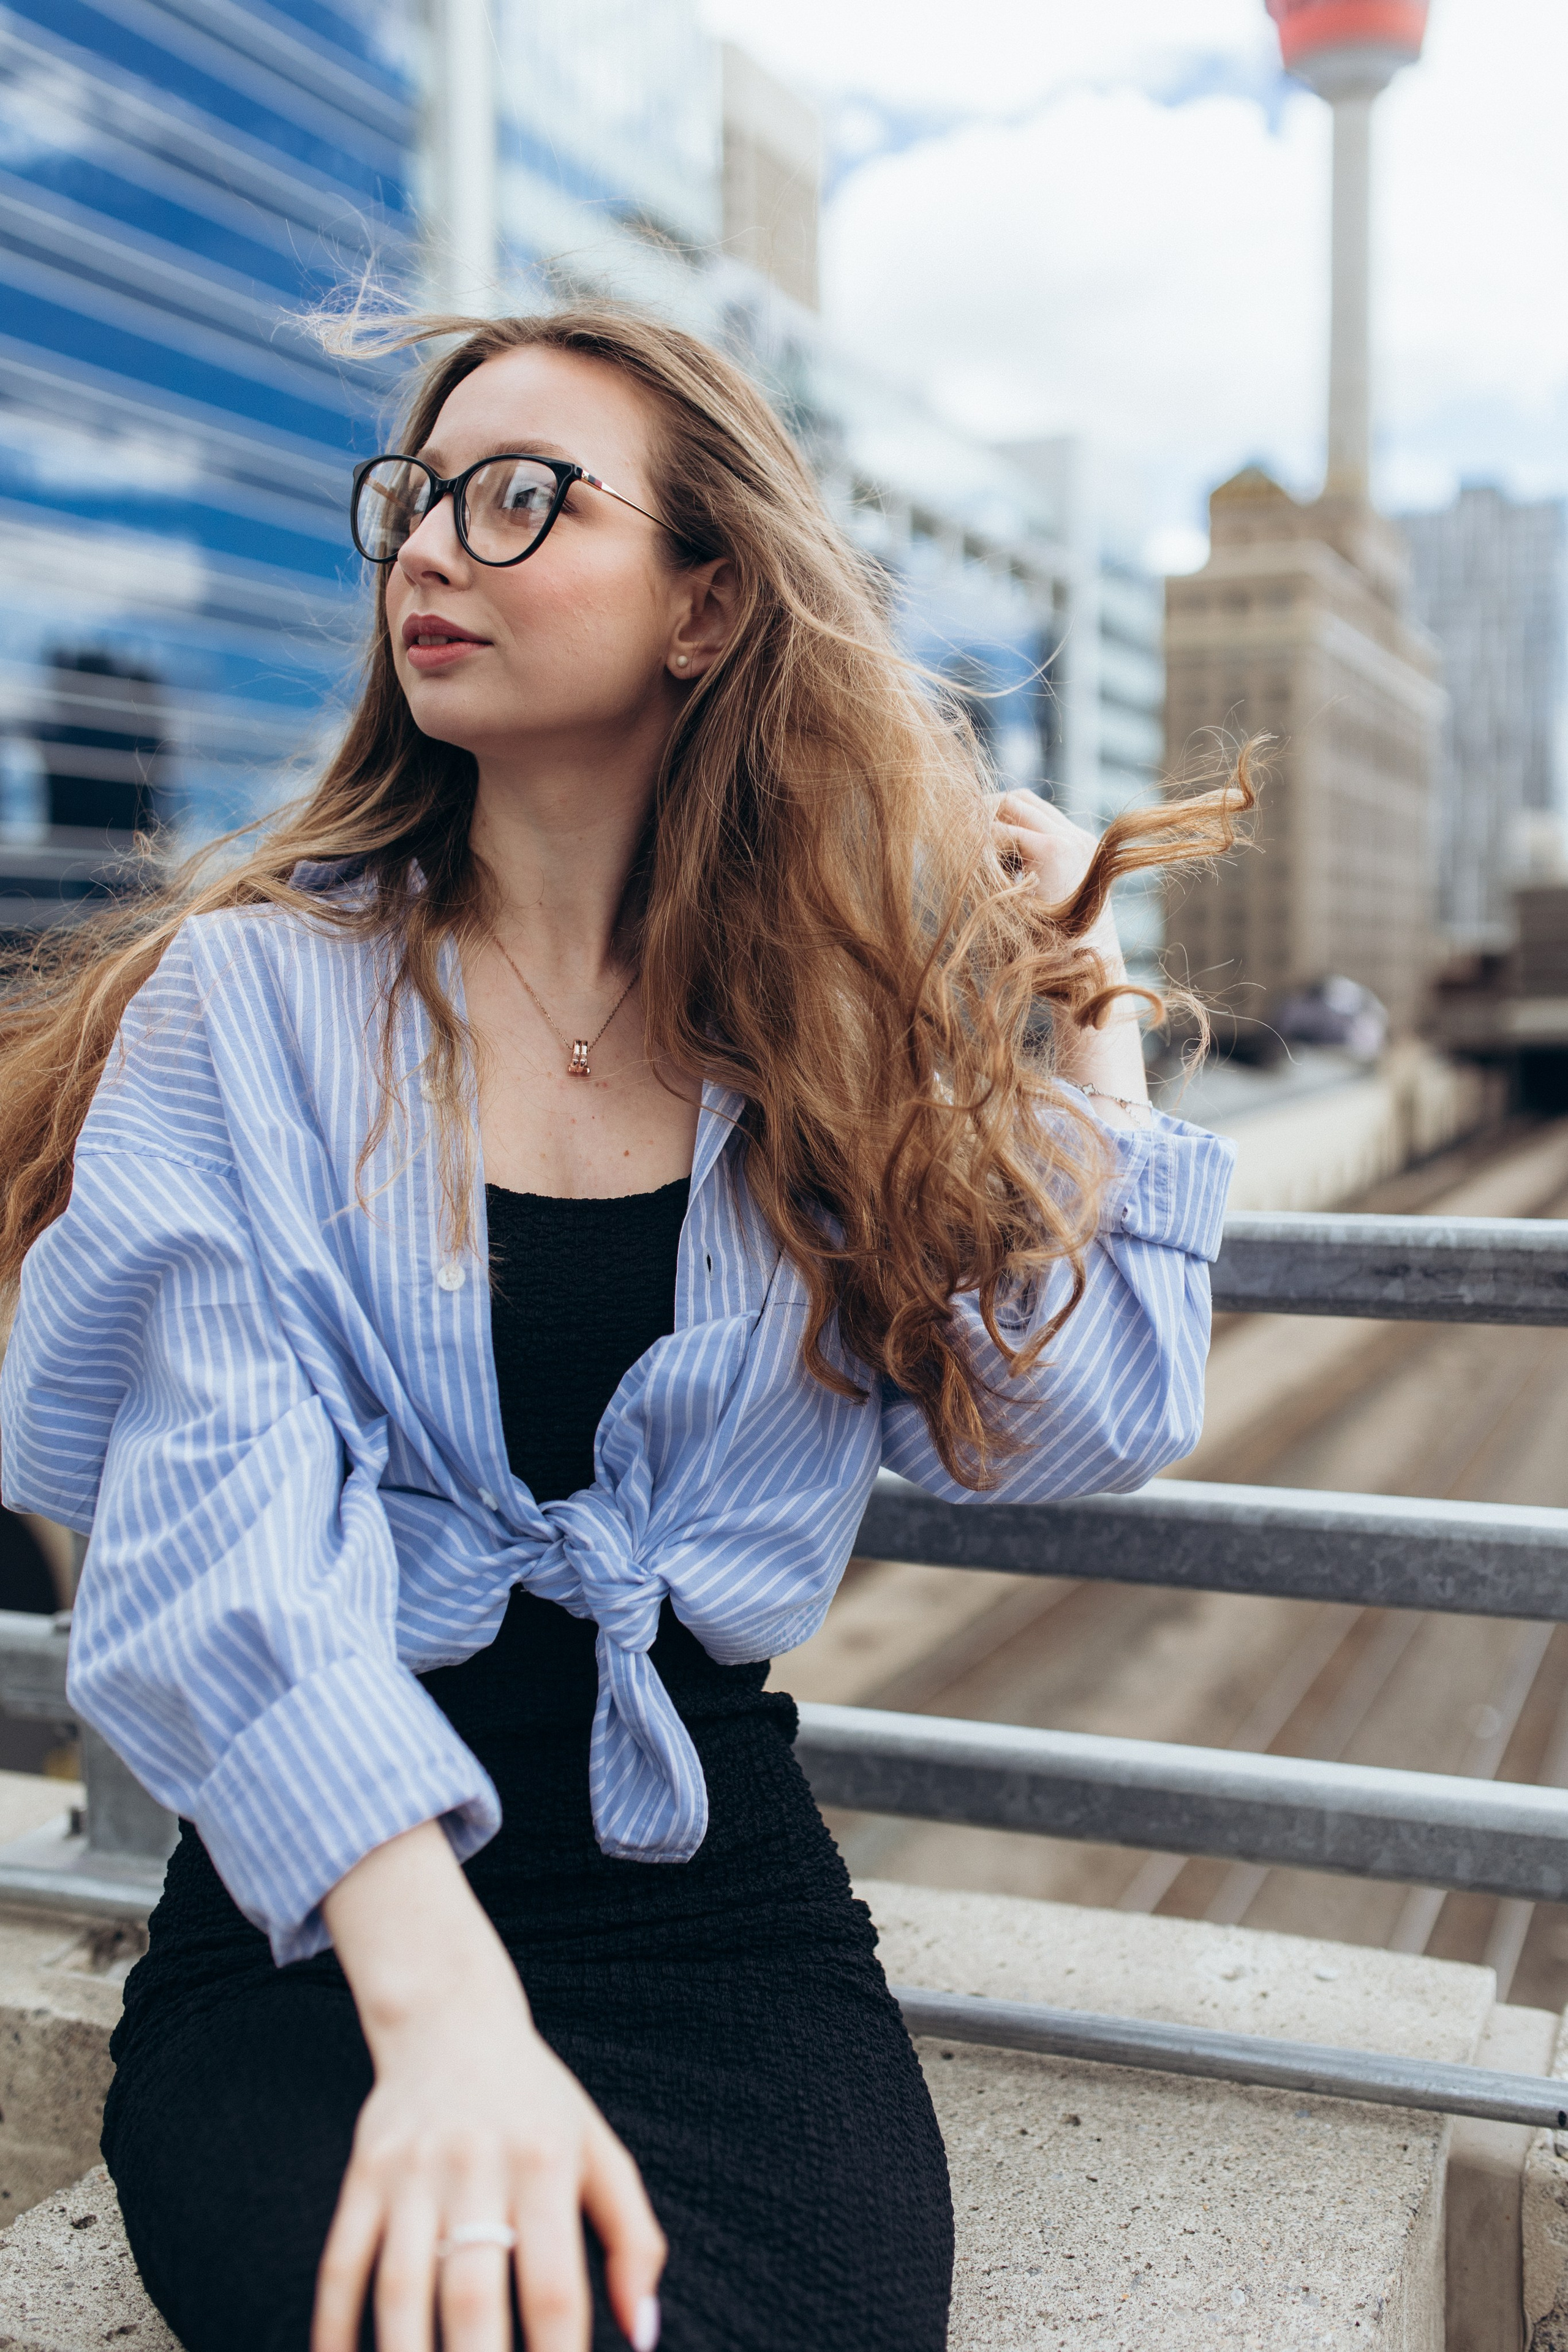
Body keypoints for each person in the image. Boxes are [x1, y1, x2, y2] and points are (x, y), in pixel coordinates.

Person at [0, 304, 1246, 2352]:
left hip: (719, 1921)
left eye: (520, 500)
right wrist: (446, 2015)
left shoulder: (823, 1034)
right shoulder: (252, 1007)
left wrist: (1088, 1026)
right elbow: (211, 1538)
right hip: (331, 1931)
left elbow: (1079, 1411)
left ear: (706, 603)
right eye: (415, 500)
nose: (429, 548)